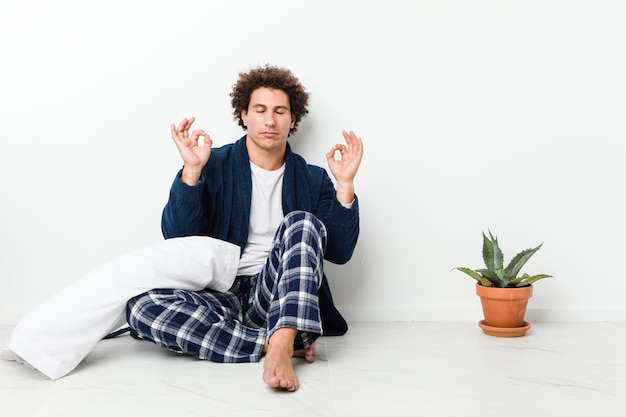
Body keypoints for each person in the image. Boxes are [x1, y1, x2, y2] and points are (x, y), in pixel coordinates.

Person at [125, 64, 363, 392]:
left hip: (278, 293)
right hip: (220, 292)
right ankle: (271, 342)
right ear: (244, 115)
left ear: (292, 120)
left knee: (301, 222)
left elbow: (339, 252)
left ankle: (280, 343)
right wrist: (192, 171)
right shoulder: (214, 163)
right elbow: (177, 239)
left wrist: (345, 185)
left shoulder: (313, 178)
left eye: (280, 111)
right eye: (260, 110)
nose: (270, 120)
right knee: (141, 307)